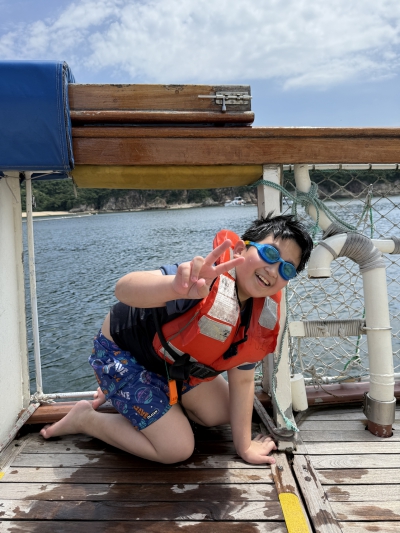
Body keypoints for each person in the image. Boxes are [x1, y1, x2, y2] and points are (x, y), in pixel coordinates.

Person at [40, 213, 313, 465]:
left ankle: (148, 402)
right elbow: (123, 288)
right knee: (177, 448)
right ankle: (86, 418)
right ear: (241, 250)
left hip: (171, 366)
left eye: (287, 269)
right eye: (269, 254)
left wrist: (244, 448)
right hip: (123, 356)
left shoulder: (259, 313)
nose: (274, 270)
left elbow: (242, 379)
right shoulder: (199, 280)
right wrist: (173, 288)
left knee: (222, 412)